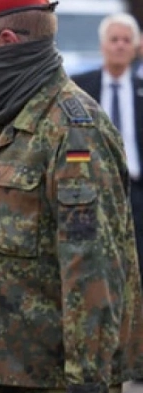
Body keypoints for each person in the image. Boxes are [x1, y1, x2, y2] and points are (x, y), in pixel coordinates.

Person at [0, 0, 143, 393]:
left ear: (6, 41)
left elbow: (94, 268)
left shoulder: (74, 131)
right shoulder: (5, 125)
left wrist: (87, 390)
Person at [72, 14, 143, 294]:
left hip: (136, 192)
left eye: (126, 40)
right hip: (93, 189)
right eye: (114, 39)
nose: (120, 45)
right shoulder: (79, 89)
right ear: (103, 45)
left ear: (136, 47)